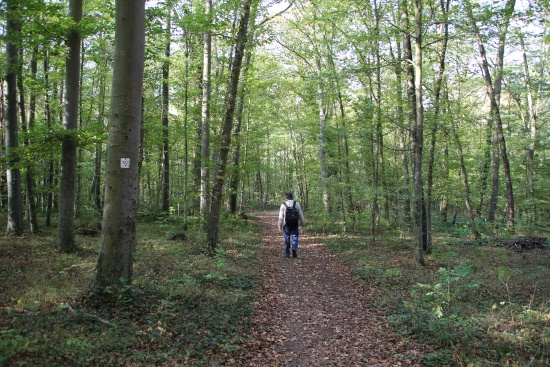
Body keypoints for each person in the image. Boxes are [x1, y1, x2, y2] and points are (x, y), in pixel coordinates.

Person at [278, 192, 305, 258]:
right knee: (295, 237)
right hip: (295, 223)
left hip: (286, 224)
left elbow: (281, 217)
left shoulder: (283, 205)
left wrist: (279, 226)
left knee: (287, 237)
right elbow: (300, 214)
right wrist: (302, 223)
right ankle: (294, 248)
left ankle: (287, 253)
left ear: (286, 197)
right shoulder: (297, 204)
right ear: (292, 197)